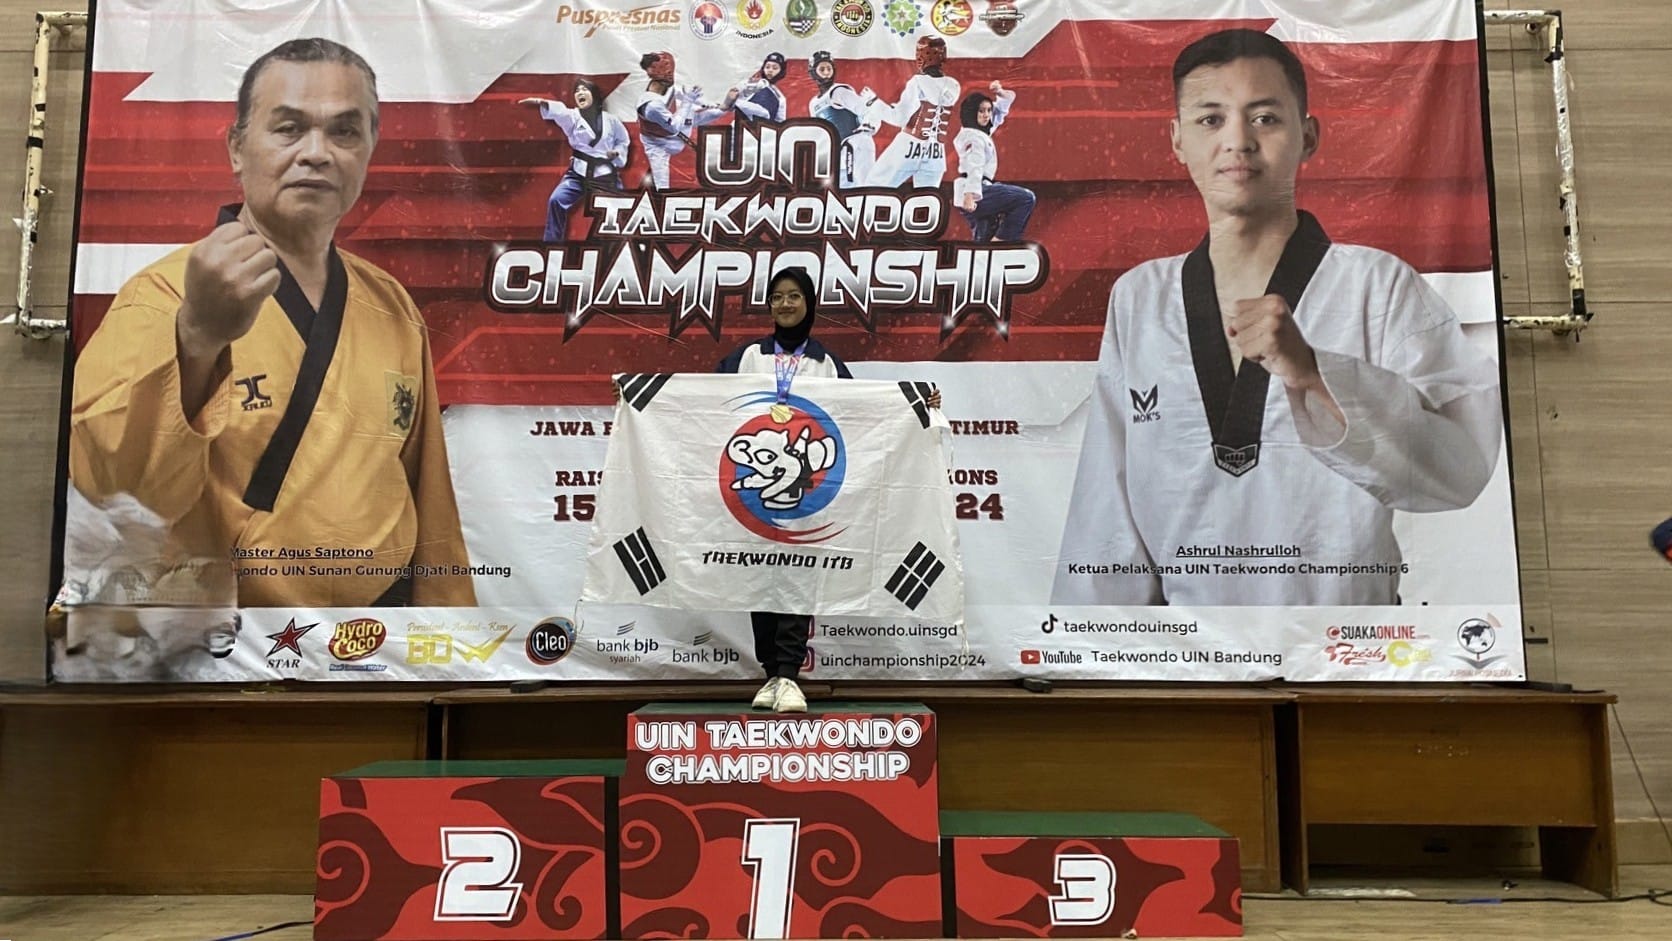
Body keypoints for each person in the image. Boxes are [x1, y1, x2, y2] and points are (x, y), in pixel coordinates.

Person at [1052, 28, 1502, 607]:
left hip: (1344, 643)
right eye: (1211, 120)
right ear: (1177, 140)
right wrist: (1093, 646)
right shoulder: (1141, 298)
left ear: (1308, 136)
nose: (1237, 141)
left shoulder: (1377, 286)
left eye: (1265, 118)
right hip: (1187, 649)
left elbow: (1460, 469)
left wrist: (1317, 374)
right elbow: (1106, 507)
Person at [68, 37, 476, 609]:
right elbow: (115, 490)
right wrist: (196, 336)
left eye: (345, 131)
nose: (317, 153)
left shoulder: (391, 305)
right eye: (289, 129)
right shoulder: (163, 295)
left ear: (369, 149)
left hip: (372, 639)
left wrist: (448, 627)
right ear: (237, 148)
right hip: (231, 637)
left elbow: (428, 496)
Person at [519, 79, 630, 241]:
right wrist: (541, 102)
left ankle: (620, 246)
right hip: (578, 174)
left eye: (584, 89)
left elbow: (623, 141)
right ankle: (552, 244)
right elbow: (560, 111)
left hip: (604, 175)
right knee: (556, 200)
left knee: (620, 209)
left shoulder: (611, 120)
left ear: (594, 95)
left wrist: (617, 153)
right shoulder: (573, 117)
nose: (580, 93)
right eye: (577, 91)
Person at [863, 36, 959, 188]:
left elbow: (899, 118)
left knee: (874, 186)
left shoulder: (917, 82)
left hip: (909, 145)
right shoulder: (953, 85)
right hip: (936, 152)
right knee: (927, 199)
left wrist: (873, 102)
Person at [635, 51, 734, 190]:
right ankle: (663, 198)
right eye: (668, 71)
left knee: (692, 111)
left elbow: (689, 99)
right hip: (657, 142)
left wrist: (715, 105)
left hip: (676, 132)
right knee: (662, 185)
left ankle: (724, 108)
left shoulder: (669, 88)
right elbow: (675, 127)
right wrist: (688, 100)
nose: (671, 74)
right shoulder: (651, 106)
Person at [953, 81, 1035, 242]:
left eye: (989, 110)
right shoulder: (973, 137)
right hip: (976, 191)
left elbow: (1007, 101)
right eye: (981, 111)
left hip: (976, 191)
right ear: (972, 112)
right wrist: (970, 194)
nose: (986, 115)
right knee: (1025, 198)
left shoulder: (980, 132)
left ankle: (989, 250)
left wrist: (1000, 92)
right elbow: (974, 166)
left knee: (983, 241)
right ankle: (1002, 242)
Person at [807, 51, 876, 188]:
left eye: (829, 68)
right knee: (842, 191)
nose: (826, 73)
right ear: (813, 72)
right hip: (839, 152)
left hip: (857, 145)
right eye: (822, 69)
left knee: (864, 188)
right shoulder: (813, 104)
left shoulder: (839, 92)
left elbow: (867, 111)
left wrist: (867, 129)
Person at [732, 52, 788, 124]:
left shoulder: (780, 98)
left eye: (775, 68)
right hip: (742, 126)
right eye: (767, 67)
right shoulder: (752, 84)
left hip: (764, 129)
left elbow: (780, 122)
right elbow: (735, 103)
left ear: (781, 71)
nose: (770, 70)